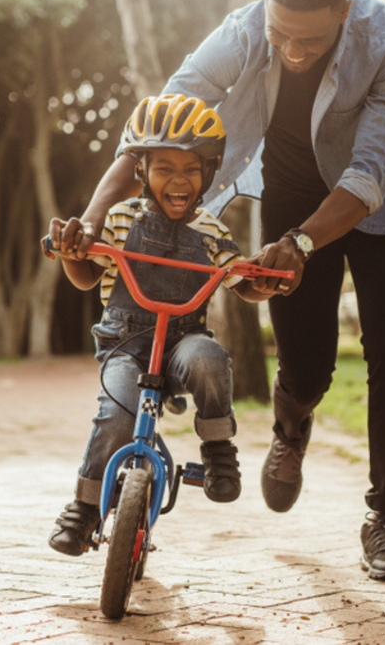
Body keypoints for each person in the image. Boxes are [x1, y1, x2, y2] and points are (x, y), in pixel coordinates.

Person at [54, 0, 385, 582]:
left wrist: (304, 244)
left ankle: (384, 518)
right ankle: (292, 427)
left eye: (310, 41)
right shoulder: (241, 31)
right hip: (292, 188)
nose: (292, 51)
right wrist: (92, 219)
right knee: (308, 365)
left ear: (344, 11)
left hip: (382, 194)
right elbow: (156, 129)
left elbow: (370, 171)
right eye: (281, 33)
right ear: (266, 7)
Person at [46, 94, 278, 557]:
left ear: (209, 173)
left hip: (182, 343)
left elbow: (241, 282)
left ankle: (217, 449)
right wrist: (73, 254)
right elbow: (88, 275)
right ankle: (85, 506)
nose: (178, 180)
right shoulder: (118, 219)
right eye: (164, 167)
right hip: (125, 344)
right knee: (116, 415)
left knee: (210, 360)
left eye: (191, 170)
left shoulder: (212, 232)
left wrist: (266, 282)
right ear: (141, 171)